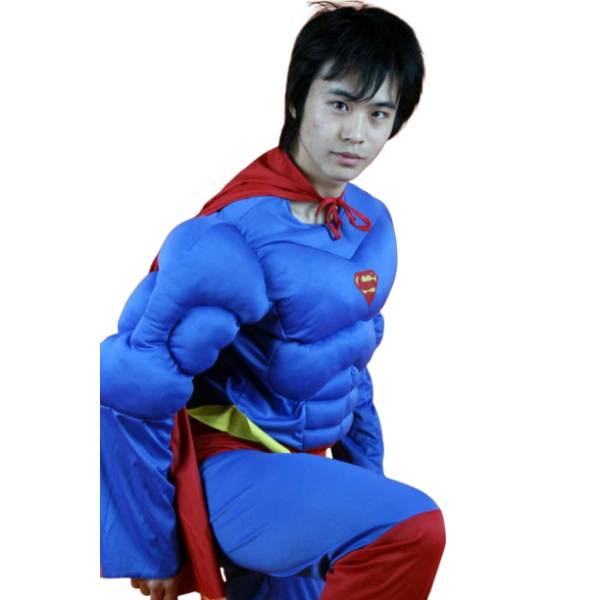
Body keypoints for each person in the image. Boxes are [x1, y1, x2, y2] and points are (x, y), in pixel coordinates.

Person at [100, 1, 445, 599]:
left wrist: (367, 482)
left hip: (305, 474)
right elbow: (130, 381)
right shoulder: (231, 234)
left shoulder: (372, 224)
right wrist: (146, 543)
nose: (356, 134)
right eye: (340, 105)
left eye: (378, 113)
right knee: (412, 531)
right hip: (230, 471)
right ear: (295, 99)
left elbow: (351, 370)